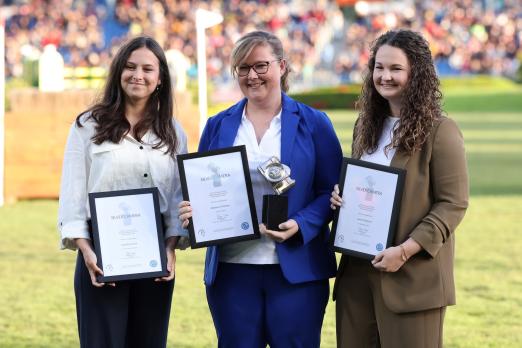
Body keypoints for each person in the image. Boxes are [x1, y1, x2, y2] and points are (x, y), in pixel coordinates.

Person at [178, 30, 342, 347]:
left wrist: (301, 224)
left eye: (261, 65)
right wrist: (191, 210)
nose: (252, 75)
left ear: (281, 66)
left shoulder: (314, 123)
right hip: (232, 271)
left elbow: (331, 192)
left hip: (296, 272)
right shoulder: (218, 124)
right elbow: (201, 187)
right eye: (243, 68)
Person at [330, 29, 469, 348]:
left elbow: (453, 204)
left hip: (411, 281)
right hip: (357, 279)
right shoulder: (365, 125)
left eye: (395, 69)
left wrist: (405, 251)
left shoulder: (441, 131)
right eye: (379, 67)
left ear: (416, 74)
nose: (384, 76)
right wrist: (342, 197)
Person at [57, 36, 188, 348]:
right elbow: (73, 195)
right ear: (118, 72)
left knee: (148, 341)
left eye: (147, 69)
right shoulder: (87, 126)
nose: (137, 75)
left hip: (155, 256)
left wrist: (170, 248)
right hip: (101, 253)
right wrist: (86, 252)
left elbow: (175, 199)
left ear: (160, 79)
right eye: (129, 67)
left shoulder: (173, 131)